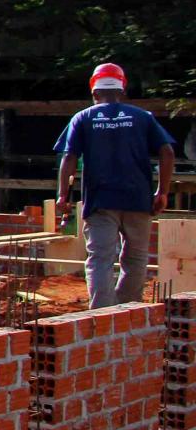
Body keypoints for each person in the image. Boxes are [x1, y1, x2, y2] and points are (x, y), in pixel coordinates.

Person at [55, 62, 175, 309]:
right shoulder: (143, 117)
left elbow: (69, 157)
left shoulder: (83, 118)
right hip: (138, 199)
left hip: (100, 201)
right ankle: (125, 312)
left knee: (100, 259)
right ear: (122, 90)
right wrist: (163, 192)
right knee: (136, 258)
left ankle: (102, 316)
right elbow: (167, 152)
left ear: (94, 92)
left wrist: (62, 196)